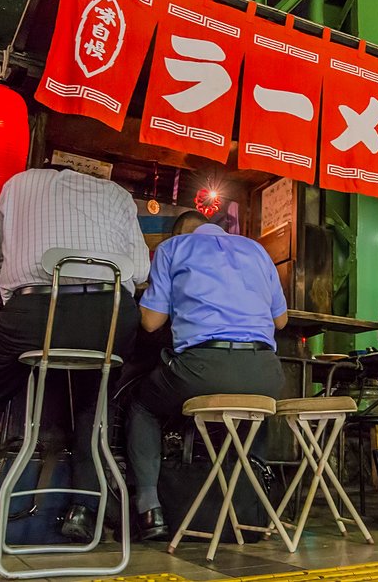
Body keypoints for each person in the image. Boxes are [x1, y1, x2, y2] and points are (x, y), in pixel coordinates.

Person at [0, 167, 150, 544]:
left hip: (35, 311)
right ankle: (82, 513)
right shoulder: (120, 194)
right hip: (109, 316)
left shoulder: (16, 184)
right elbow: (139, 271)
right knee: (92, 405)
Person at [127, 211, 287, 541]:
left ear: (178, 232)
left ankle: (148, 508)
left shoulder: (173, 249)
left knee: (143, 404)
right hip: (266, 372)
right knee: (255, 412)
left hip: (203, 369)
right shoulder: (256, 250)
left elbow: (151, 323)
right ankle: (252, 506)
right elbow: (281, 321)